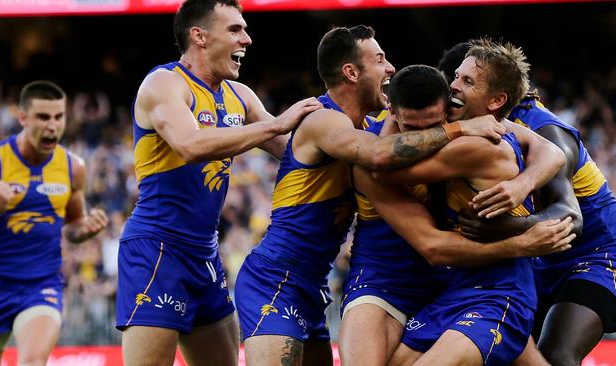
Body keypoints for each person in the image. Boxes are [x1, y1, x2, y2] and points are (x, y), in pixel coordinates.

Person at [234, 25, 515, 366]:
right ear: (351, 72)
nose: (391, 68)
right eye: (380, 59)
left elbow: (537, 143)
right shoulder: (323, 119)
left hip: (312, 284)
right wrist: (460, 127)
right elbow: (381, 156)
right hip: (276, 277)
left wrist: (522, 181)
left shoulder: (370, 126)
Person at [114, 1, 324, 365]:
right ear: (199, 36)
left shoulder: (239, 96)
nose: (247, 38)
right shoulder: (164, 82)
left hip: (205, 255)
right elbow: (190, 144)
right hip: (157, 249)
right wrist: (275, 123)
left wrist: (353, 137)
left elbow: (295, 154)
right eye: (235, 29)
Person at [338, 64, 575, 366]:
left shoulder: (477, 138)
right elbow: (379, 163)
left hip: (480, 284)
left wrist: (522, 184)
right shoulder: (376, 157)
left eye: (433, 126)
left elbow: (550, 149)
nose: (426, 136)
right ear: (392, 112)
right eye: (412, 128)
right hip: (395, 277)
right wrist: (523, 244)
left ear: (447, 110)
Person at [441, 41, 616, 365]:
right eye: (455, 79)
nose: (451, 93)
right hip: (538, 255)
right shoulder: (477, 126)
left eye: (467, 82)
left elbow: (570, 221)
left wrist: (507, 227)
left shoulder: (543, 131)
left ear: (496, 97)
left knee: (557, 354)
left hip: (595, 252)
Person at [0, 80, 109, 366]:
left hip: (41, 285)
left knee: (32, 361)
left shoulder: (73, 168)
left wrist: (84, 230)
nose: (53, 125)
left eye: (59, 117)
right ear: (22, 118)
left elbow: (72, 226)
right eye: (44, 117)